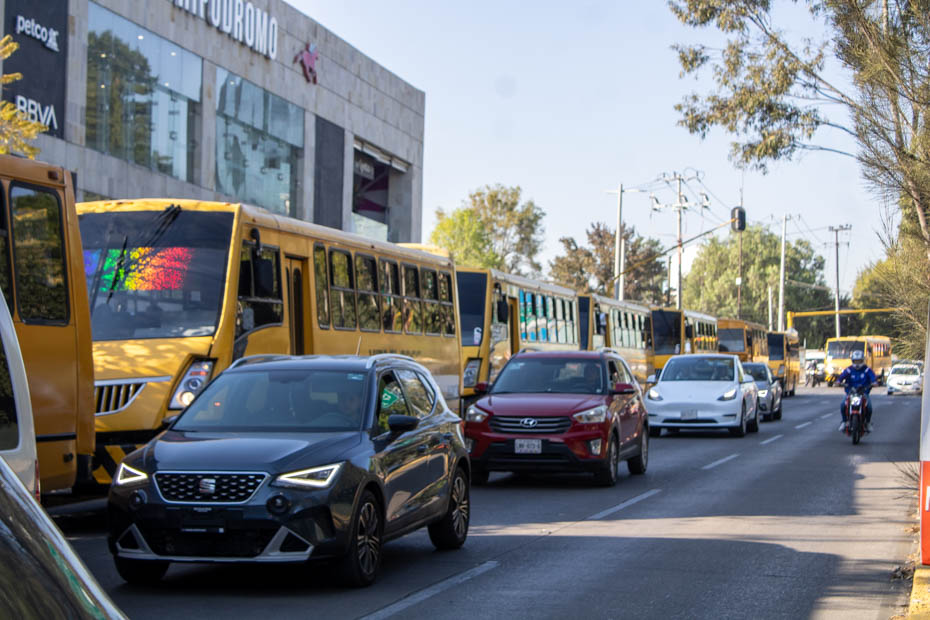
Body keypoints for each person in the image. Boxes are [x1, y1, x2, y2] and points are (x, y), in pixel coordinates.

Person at [838, 349, 876, 432]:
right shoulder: (849, 370)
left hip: (863, 393)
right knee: (843, 405)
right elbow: (842, 376)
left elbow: (873, 377)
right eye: (855, 361)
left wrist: (874, 382)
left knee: (869, 407)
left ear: (863, 361)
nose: (857, 363)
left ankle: (868, 423)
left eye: (859, 361)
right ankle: (844, 422)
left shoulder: (866, 370)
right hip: (850, 392)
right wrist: (838, 381)